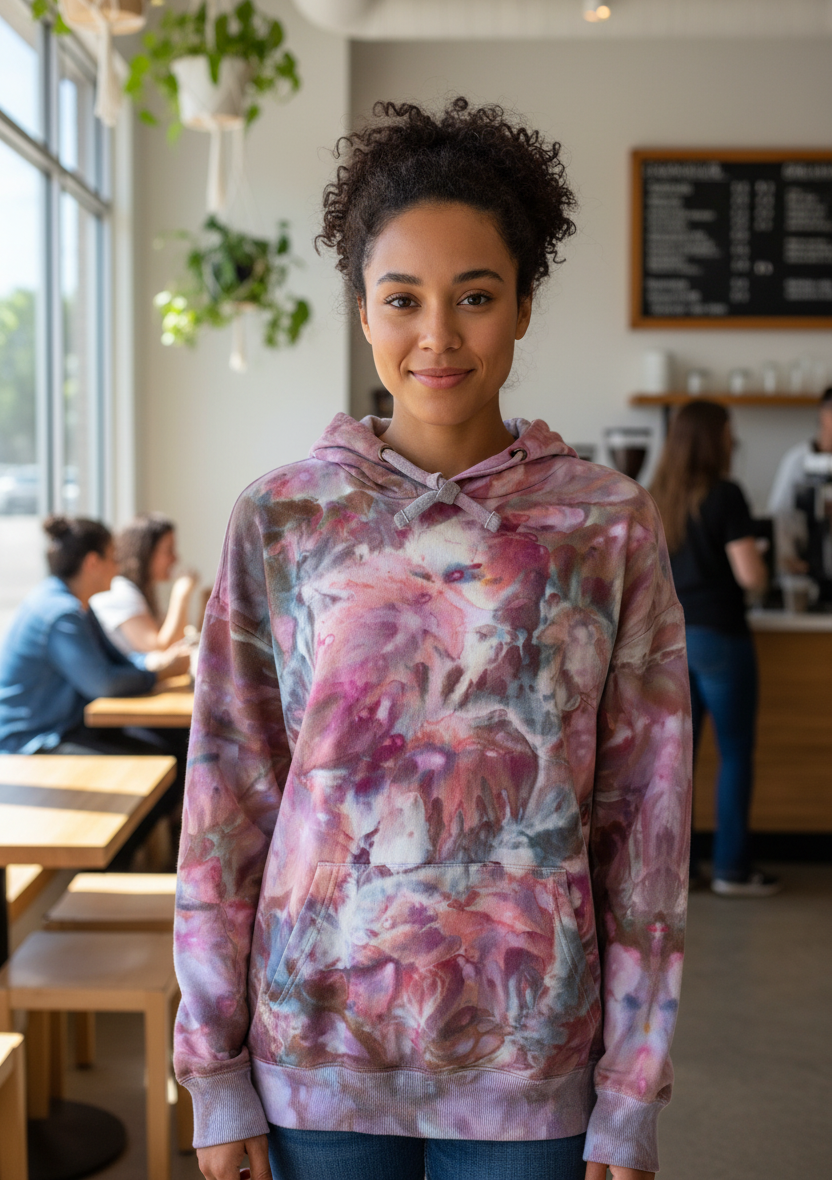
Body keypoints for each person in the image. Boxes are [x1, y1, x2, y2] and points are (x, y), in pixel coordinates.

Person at [174, 99, 692, 1180]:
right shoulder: (283, 517)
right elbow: (228, 800)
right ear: (363, 313)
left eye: (475, 297)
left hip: (533, 1058)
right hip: (316, 1047)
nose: (438, 336)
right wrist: (211, 1071)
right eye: (402, 299)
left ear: (523, 307)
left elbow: (645, 821)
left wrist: (633, 1086)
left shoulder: (604, 525)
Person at [650, 400, 778, 898]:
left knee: (680, 761)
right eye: (729, 432)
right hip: (721, 639)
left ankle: (677, 874)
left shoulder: (656, 495)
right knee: (736, 753)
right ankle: (731, 870)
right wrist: (764, 570)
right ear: (716, 438)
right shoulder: (725, 496)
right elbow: (749, 575)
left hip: (671, 640)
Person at [0, 515, 188, 756]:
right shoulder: (60, 613)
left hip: (65, 729)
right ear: (92, 563)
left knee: (173, 746)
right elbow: (103, 683)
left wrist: (156, 663)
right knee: (165, 760)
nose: (118, 568)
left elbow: (115, 660)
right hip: (32, 741)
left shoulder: (76, 606)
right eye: (113, 558)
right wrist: (159, 673)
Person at [91, 512, 199, 661]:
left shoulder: (141, 590)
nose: (175, 558)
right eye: (169, 550)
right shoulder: (120, 591)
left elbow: (179, 640)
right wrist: (181, 595)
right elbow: (161, 648)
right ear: (146, 553)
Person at [766, 387, 832, 572]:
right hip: (805, 561)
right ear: (823, 412)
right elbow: (779, 514)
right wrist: (785, 558)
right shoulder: (798, 459)